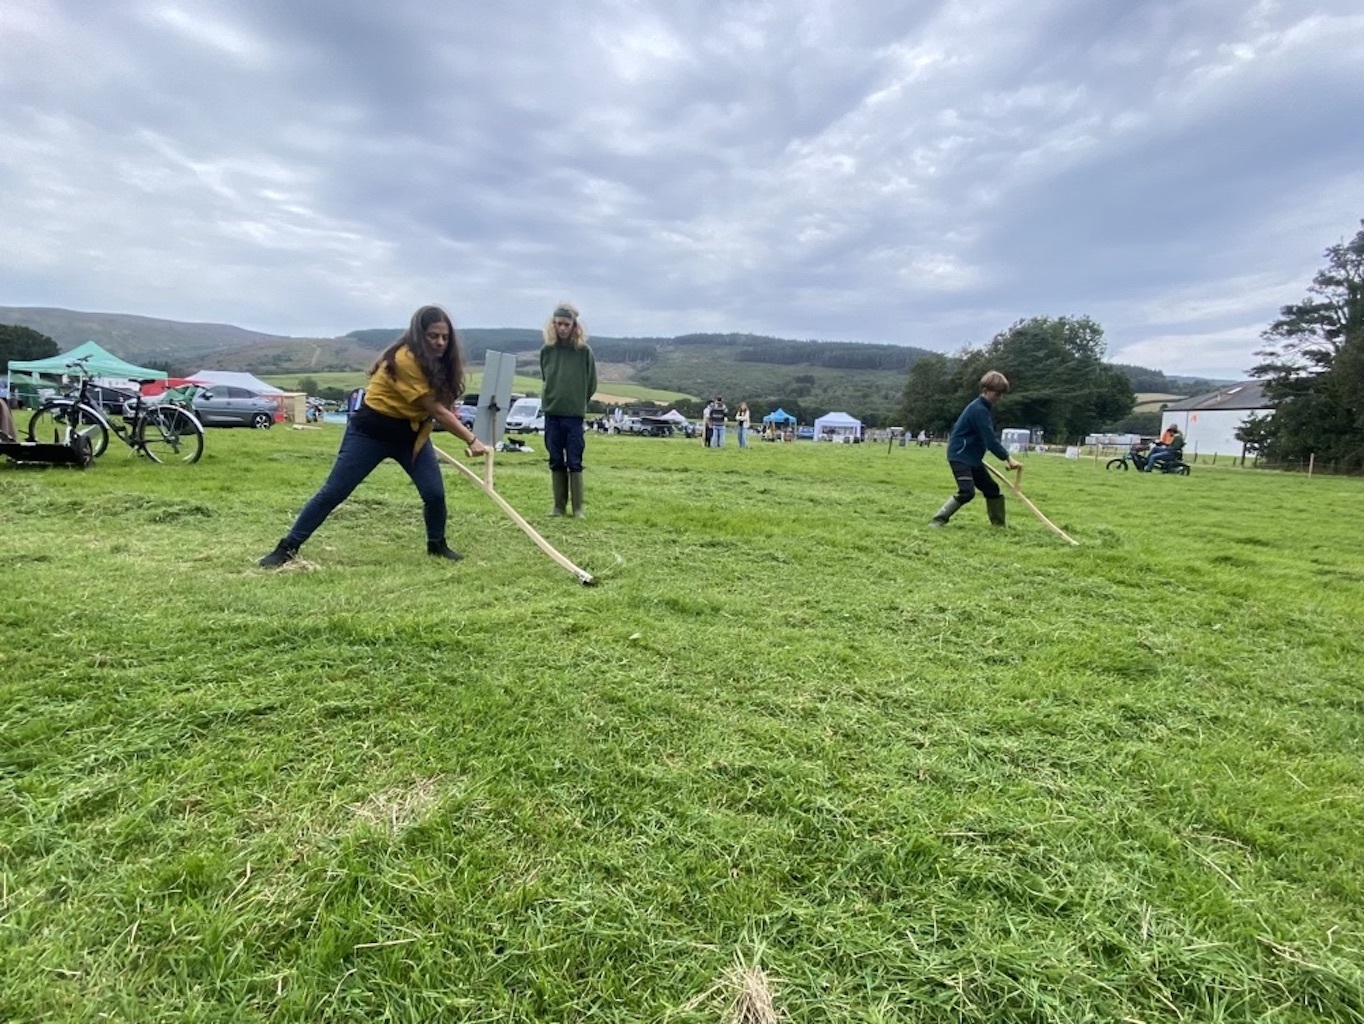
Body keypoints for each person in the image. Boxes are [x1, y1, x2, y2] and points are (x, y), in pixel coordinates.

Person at [258, 305, 487, 567]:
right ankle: (287, 547)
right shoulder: (404, 359)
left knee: (434, 494)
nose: (440, 342)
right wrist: (472, 439)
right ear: (418, 334)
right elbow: (436, 409)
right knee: (334, 492)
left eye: (445, 337)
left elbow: (442, 405)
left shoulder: (439, 363)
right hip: (371, 433)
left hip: (410, 436)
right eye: (433, 336)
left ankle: (437, 545)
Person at [929, 370, 1022, 528]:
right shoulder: (978, 410)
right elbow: (990, 440)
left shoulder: (984, 408)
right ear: (985, 391)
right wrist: (1008, 458)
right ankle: (938, 520)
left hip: (973, 458)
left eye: (1001, 394)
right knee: (967, 492)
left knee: (992, 489)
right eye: (997, 394)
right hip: (960, 456)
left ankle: (999, 526)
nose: (999, 398)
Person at [540, 302, 598, 518]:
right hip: (552, 413)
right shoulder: (546, 351)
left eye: (566, 324)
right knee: (555, 458)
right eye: (558, 324)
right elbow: (546, 377)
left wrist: (578, 402)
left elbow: (591, 383)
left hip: (574, 415)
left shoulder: (584, 352)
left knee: (574, 459)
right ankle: (558, 506)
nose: (562, 328)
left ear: (574, 325)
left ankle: (578, 508)